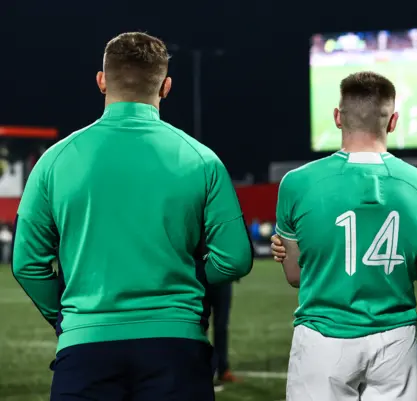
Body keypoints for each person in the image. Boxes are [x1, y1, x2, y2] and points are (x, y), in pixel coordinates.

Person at [11, 32, 253, 401]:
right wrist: (191, 285)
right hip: (176, 344)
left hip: (87, 345)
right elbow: (234, 258)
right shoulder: (202, 159)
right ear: (166, 86)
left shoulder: (54, 161)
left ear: (102, 80)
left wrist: (67, 318)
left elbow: (28, 264)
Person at [271, 71, 417, 401]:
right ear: (392, 121)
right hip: (396, 340)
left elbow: (295, 276)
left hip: (323, 337)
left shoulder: (297, 183)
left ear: (337, 117)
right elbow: (413, 266)